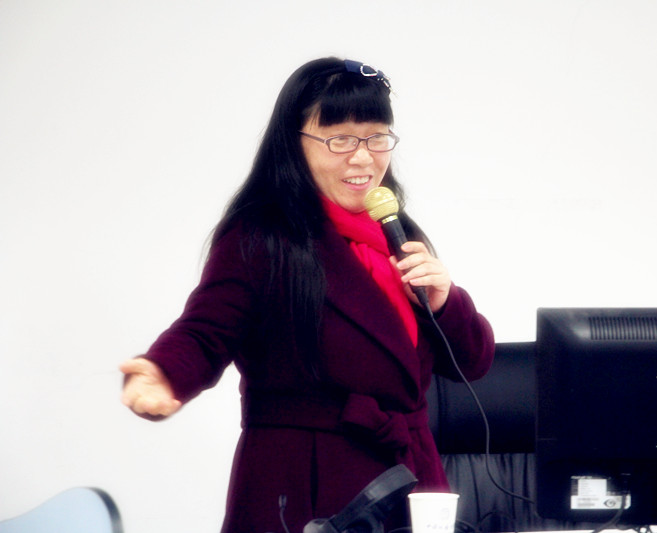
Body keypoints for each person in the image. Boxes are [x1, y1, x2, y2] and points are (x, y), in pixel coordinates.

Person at [120, 57, 494, 533]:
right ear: (294, 143)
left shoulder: (396, 232)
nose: (363, 158)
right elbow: (206, 330)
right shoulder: (261, 236)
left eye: (376, 137)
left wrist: (445, 302)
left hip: (411, 479)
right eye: (340, 139)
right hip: (305, 484)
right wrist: (164, 372)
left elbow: (472, 362)